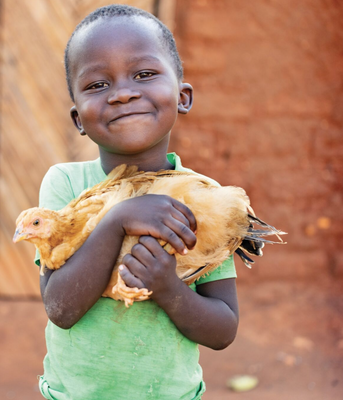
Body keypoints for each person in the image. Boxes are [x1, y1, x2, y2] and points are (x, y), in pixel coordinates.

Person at [35, 5, 239, 400]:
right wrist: (118, 219)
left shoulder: (203, 197)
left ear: (182, 96)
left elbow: (223, 330)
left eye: (144, 74)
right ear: (78, 119)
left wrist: (167, 288)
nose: (123, 93)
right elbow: (61, 308)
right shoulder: (65, 184)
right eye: (97, 85)